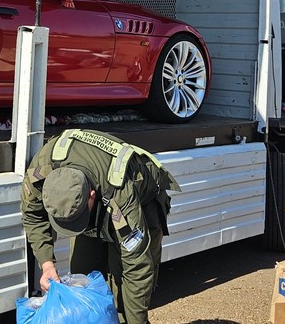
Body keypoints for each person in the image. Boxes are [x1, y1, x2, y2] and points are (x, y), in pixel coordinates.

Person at [21, 129, 180, 324]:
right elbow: (32, 216)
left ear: (91, 195)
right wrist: (47, 265)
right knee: (83, 281)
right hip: (96, 188)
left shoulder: (120, 194)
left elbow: (136, 267)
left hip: (142, 200)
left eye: (76, 219)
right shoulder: (41, 170)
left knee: (122, 296)